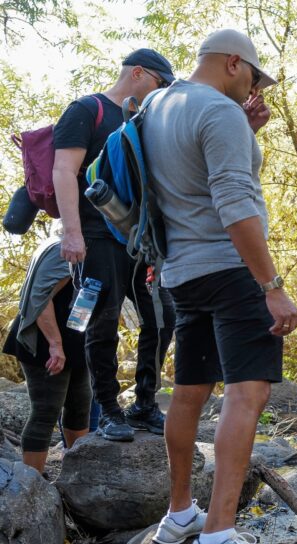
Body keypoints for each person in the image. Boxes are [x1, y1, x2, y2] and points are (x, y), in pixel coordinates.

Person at [142, 29, 293, 544]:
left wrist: (245, 132)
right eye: (252, 75)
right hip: (230, 272)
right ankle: (217, 540)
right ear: (234, 63)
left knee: (188, 391)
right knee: (247, 392)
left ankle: (180, 512)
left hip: (181, 272)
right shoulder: (219, 113)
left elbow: (185, 178)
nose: (253, 88)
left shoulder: (159, 103)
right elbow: (233, 206)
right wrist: (271, 285)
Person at [52, 48, 177, 442]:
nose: (161, 92)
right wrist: (72, 233)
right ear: (138, 73)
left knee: (163, 317)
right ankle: (107, 411)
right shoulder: (87, 111)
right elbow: (63, 171)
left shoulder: (147, 118)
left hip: (140, 242)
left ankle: (144, 403)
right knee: (103, 320)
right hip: (96, 236)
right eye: (160, 83)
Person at [2, 237, 90, 475]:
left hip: (74, 337)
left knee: (80, 406)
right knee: (46, 410)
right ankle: (32, 482)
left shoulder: (96, 245)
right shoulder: (67, 247)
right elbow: (38, 299)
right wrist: (55, 344)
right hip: (44, 338)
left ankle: (78, 475)